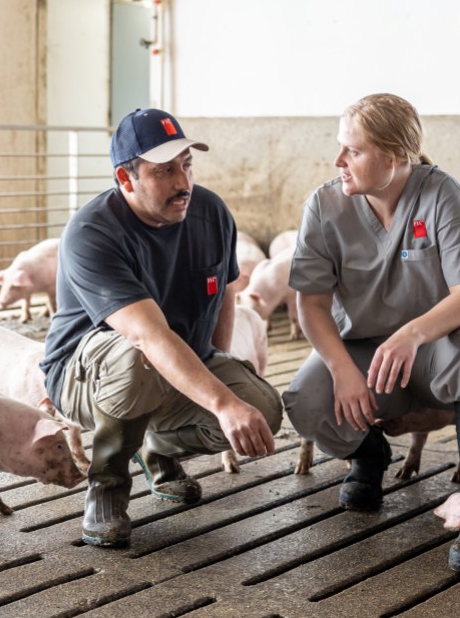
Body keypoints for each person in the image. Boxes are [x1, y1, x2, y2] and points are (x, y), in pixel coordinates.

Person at [281, 93, 460, 573]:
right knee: (307, 396)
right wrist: (343, 370)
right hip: (366, 353)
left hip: (438, 346)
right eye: (339, 148)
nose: (338, 161)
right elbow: (312, 304)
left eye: (354, 150)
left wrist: (412, 334)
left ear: (393, 156)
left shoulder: (441, 194)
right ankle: (370, 457)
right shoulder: (325, 206)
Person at [40, 107, 284, 548]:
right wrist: (222, 403)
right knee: (143, 358)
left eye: (187, 165)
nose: (183, 183)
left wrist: (219, 369)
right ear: (126, 178)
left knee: (263, 407)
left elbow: (223, 297)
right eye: (165, 171)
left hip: (168, 365)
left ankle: (153, 445)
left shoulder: (209, 212)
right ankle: (107, 488)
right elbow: (145, 336)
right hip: (87, 377)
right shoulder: (93, 232)